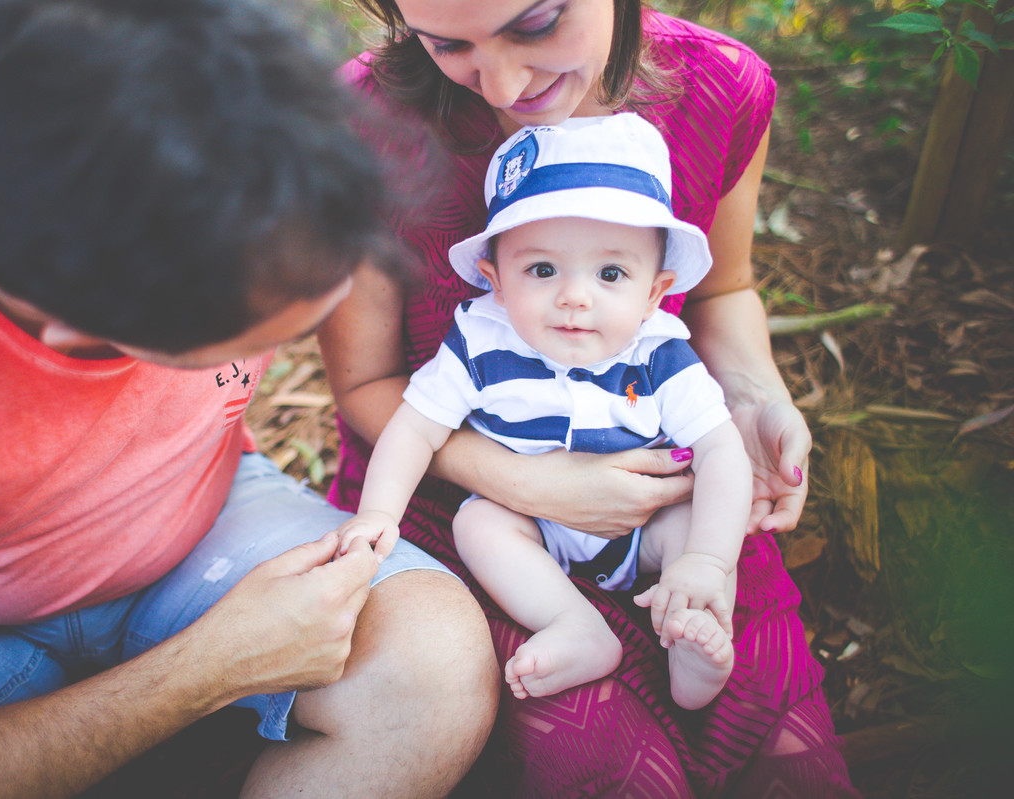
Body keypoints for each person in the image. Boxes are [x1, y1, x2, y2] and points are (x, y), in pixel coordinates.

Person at [0, 1, 498, 798]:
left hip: (198, 520)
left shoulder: (206, 102)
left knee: (429, 666)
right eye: (251, 339)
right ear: (76, 334)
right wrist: (210, 665)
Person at [318, 0, 860, 796]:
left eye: (535, 24)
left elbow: (723, 292)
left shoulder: (723, 90)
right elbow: (368, 386)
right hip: (452, 495)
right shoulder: (362, 125)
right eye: (446, 44)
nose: (502, 82)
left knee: (777, 746)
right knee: (609, 765)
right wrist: (528, 483)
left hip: (651, 479)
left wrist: (752, 400)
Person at [335, 114, 750, 710]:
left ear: (655, 292)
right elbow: (413, 426)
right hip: (529, 519)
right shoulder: (480, 343)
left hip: (645, 527)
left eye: (611, 273)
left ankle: (695, 638)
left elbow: (720, 450)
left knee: (700, 532)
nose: (574, 295)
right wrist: (377, 512)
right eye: (542, 270)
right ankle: (574, 625)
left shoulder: (660, 353)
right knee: (478, 525)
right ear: (495, 280)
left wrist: (709, 560)